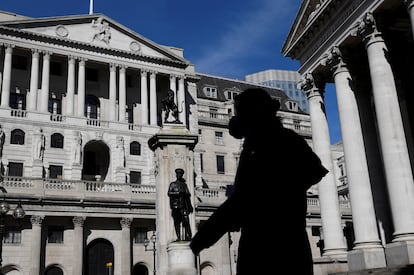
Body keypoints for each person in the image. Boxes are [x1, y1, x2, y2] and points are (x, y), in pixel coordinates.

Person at [189, 88, 328, 275]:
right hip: (289, 240)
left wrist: (199, 241)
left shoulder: (267, 143)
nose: (234, 119)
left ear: (255, 113)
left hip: (265, 244)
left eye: (239, 113)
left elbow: (239, 202)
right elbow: (315, 171)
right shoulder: (278, 140)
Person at [168, 168, 193, 241]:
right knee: (177, 222)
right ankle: (178, 237)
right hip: (175, 206)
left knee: (186, 220)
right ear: (176, 175)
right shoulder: (172, 184)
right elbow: (169, 193)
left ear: (181, 175)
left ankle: (189, 236)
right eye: (178, 174)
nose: (179, 175)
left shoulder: (184, 185)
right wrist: (178, 193)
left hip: (183, 205)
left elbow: (188, 196)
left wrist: (190, 206)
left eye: (180, 174)